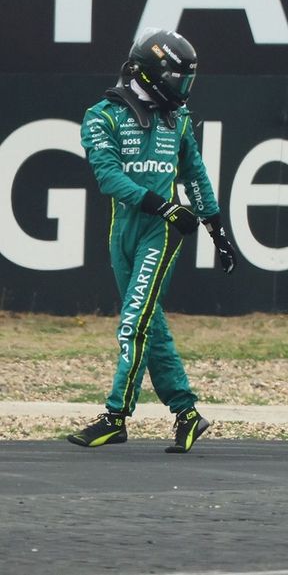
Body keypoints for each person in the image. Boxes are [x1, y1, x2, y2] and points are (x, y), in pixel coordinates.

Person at [67, 28, 237, 453]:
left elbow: (194, 175)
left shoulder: (177, 119)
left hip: (161, 234)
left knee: (133, 324)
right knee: (150, 326)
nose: (182, 91)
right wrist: (162, 204)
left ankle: (115, 417)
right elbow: (109, 178)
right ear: (147, 74)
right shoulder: (101, 116)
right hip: (124, 230)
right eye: (177, 80)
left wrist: (217, 230)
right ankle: (187, 414)